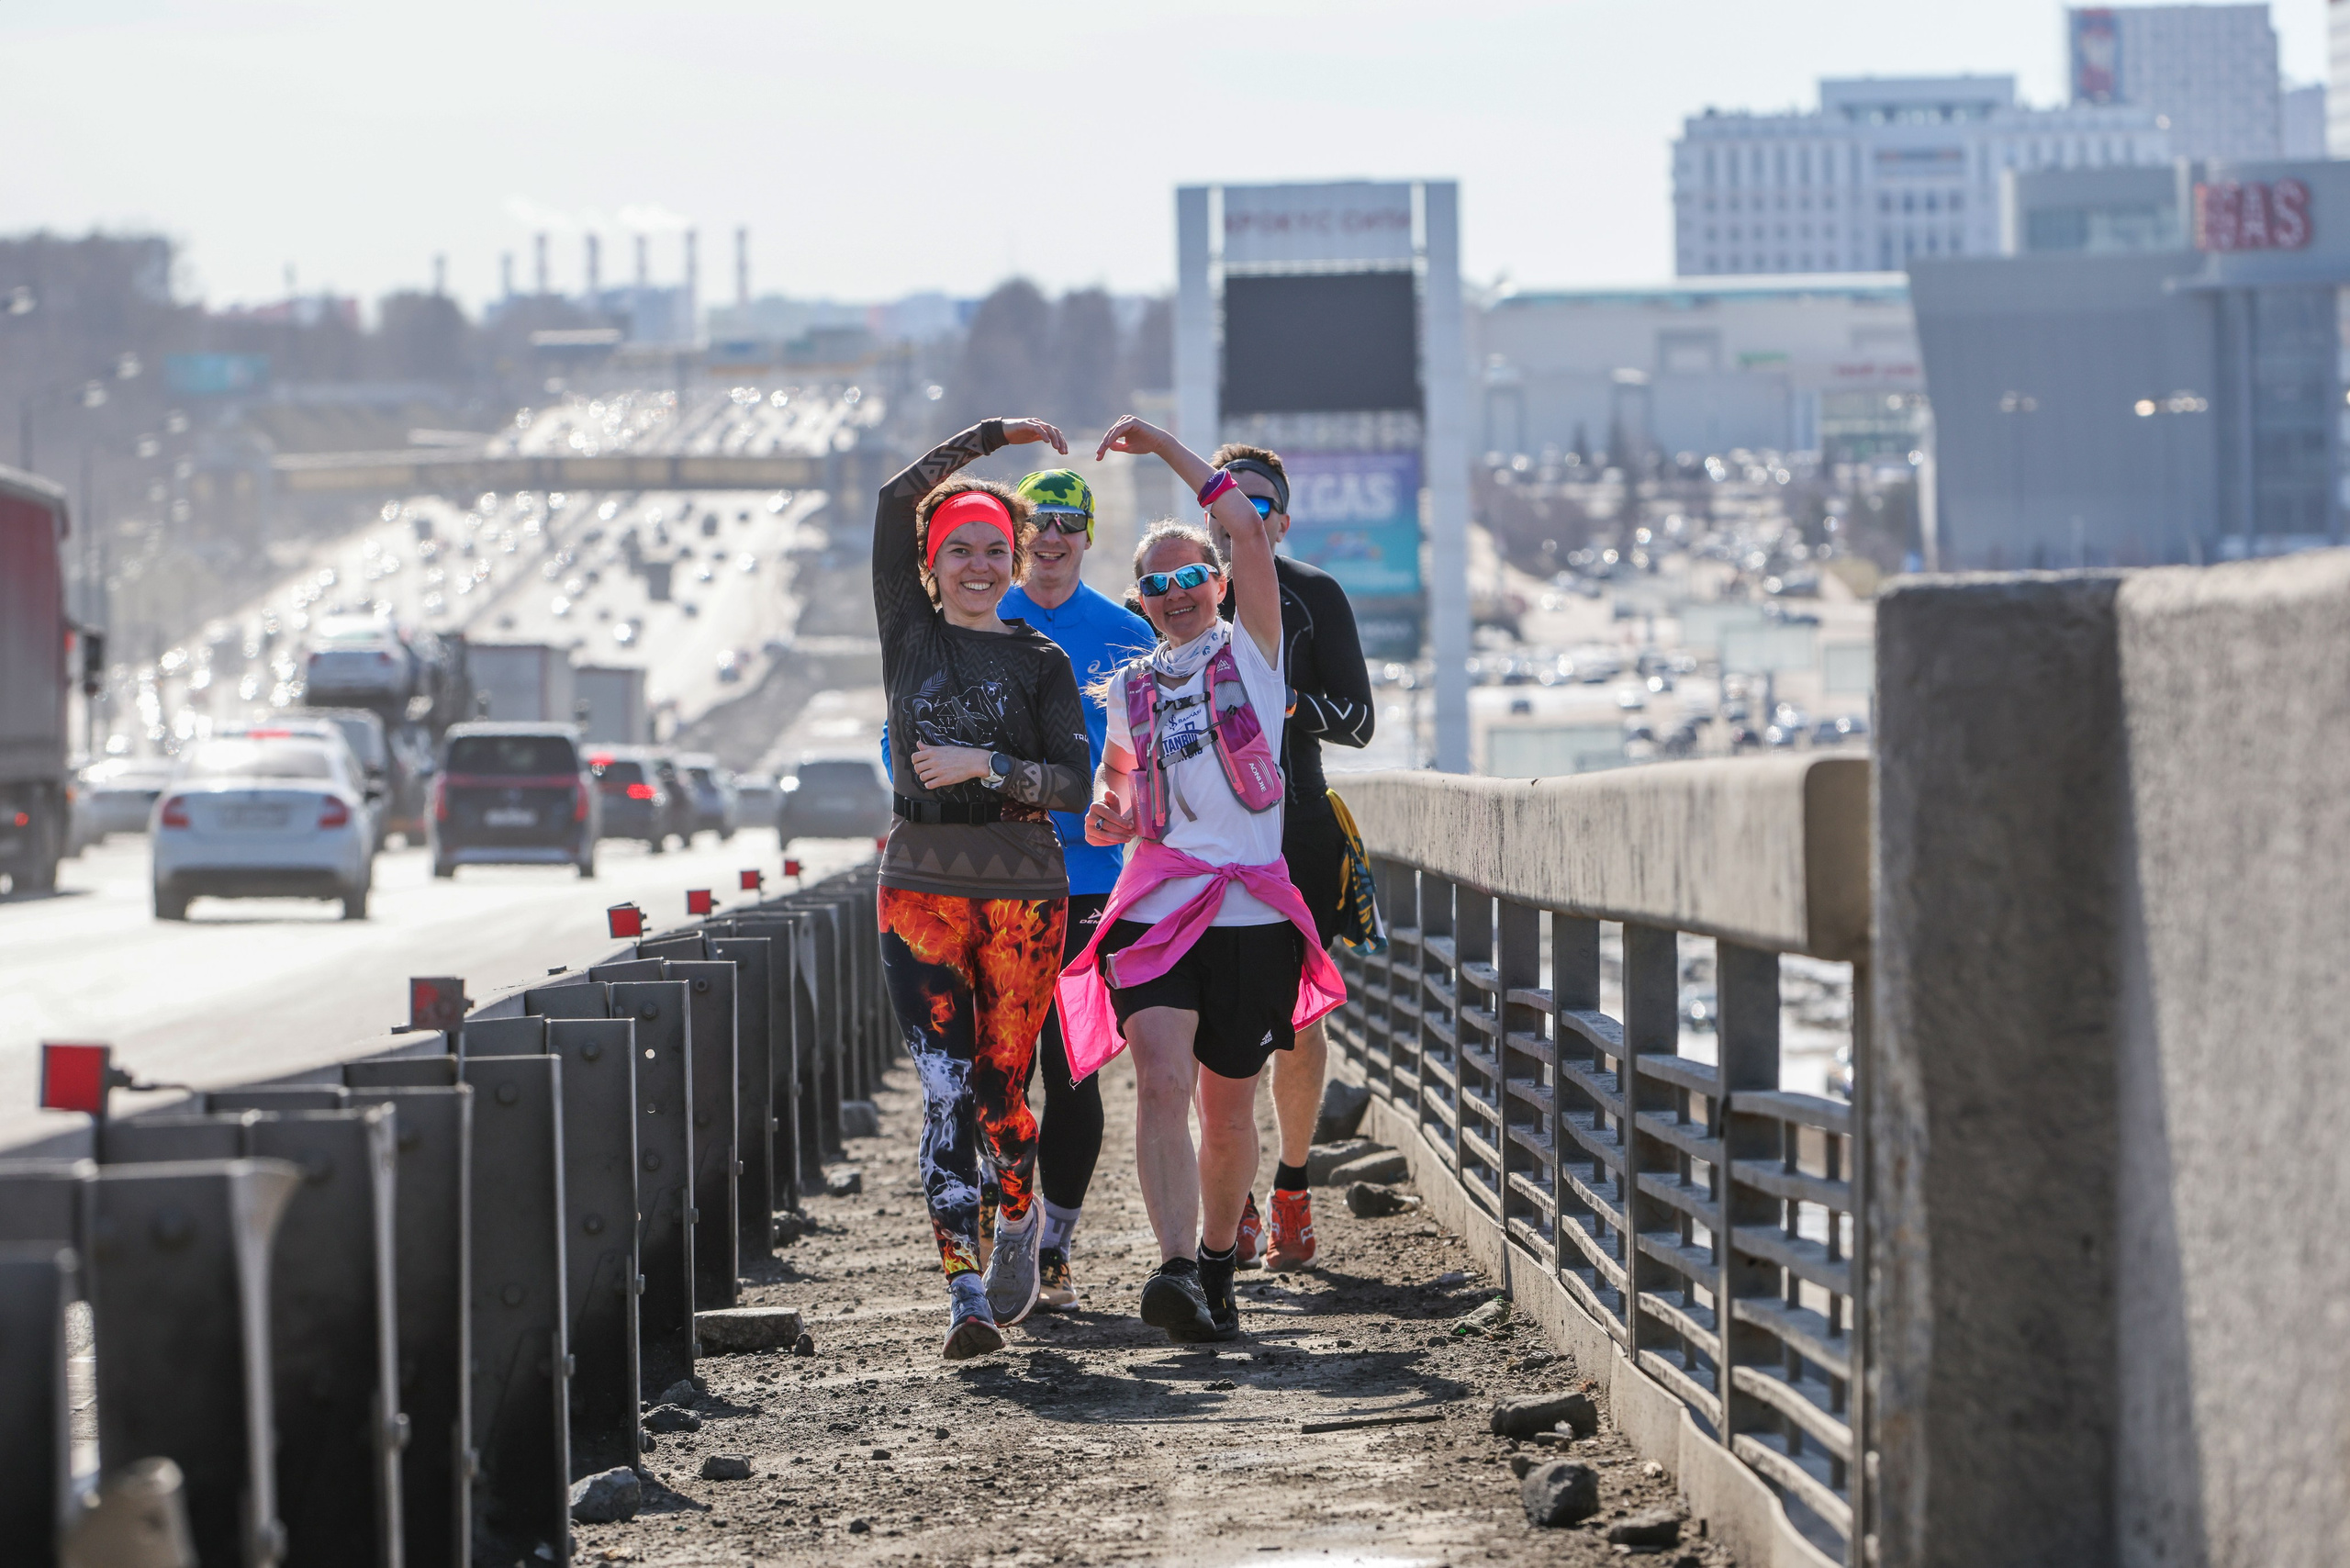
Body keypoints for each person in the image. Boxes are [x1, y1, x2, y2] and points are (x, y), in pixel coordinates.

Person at [1059, 415, 1347, 1344]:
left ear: (1221, 583)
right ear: (1141, 600)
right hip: (1156, 904)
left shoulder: (1252, 654)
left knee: (1227, 1111)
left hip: (1250, 908)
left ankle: (1220, 1258)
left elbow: (1248, 524)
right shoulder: (1129, 690)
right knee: (1158, 1080)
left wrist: (1170, 454)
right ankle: (1175, 1264)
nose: (1178, 592)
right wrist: (1112, 814)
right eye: (1159, 583)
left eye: (1194, 576)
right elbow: (1123, 786)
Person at [871, 416, 1093, 1360]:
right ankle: (962, 1288)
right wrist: (994, 438)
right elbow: (891, 499)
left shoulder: (1039, 660)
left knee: (1005, 1088)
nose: (977, 564)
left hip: (1022, 891)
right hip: (917, 886)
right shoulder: (909, 634)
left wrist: (985, 763)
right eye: (958, 548)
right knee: (944, 1087)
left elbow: (1075, 785)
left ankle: (1019, 1214)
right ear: (929, 563)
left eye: (994, 551)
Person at [1205, 443, 1376, 1272]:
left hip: (1297, 824)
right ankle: (1227, 1203)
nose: (1248, 515)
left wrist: (1280, 696)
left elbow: (1358, 721)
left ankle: (1292, 1190)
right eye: (1233, 501)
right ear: (1212, 512)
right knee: (1209, 1021)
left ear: (1283, 516)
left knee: (1298, 1023)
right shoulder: (1181, 593)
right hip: (1205, 837)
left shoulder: (1315, 594)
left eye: (1264, 504)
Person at [996, 469, 1157, 1311]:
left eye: (1068, 522)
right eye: (1037, 523)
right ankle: (1007, 1228)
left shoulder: (1128, 635)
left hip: (1095, 885)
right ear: (1016, 535)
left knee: (1074, 1072)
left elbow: (1166, 752)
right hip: (997, 879)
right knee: (999, 1072)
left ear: (1088, 535)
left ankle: (1052, 1243)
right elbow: (899, 735)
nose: (1051, 537)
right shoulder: (982, 617)